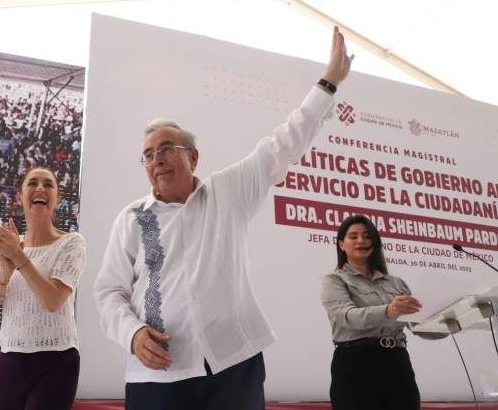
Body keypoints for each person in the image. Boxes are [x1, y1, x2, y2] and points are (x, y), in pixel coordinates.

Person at [93, 27, 353, 410]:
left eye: (167, 148)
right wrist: (131, 334)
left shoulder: (227, 192)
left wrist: (329, 81)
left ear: (193, 157)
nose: (157, 159)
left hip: (232, 365)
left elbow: (285, 143)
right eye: (148, 155)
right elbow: (108, 292)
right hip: (156, 373)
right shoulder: (130, 219)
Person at [0, 167, 86, 410]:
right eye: (33, 183)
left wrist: (18, 257)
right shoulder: (9, 247)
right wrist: (5, 274)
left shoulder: (72, 243)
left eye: (48, 184)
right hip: (9, 360)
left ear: (57, 199)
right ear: (20, 197)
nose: (40, 188)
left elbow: (52, 300)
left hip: (56, 361)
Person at [320, 215, 447, 410]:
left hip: (397, 362)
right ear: (341, 244)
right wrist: (388, 310)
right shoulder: (334, 280)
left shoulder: (396, 283)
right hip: (355, 363)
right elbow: (347, 316)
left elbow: (417, 325)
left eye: (367, 236)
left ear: (375, 243)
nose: (361, 241)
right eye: (353, 236)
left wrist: (450, 320)